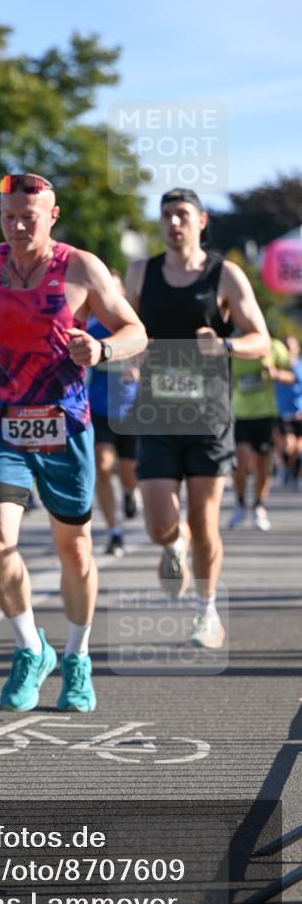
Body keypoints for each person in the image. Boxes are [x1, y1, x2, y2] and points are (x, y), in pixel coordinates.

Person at [0, 172, 147, 713]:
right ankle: (31, 648)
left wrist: (100, 352)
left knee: (73, 550)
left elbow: (134, 330)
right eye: (8, 216)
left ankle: (77, 656)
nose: (16, 226)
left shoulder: (80, 267)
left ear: (52, 216)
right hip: (0, 421)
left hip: (65, 424)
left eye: (27, 217)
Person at [125, 188, 270, 650]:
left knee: (205, 521)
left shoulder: (223, 274)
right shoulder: (140, 273)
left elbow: (261, 339)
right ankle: (172, 545)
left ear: (201, 221)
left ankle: (206, 612)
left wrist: (226, 345)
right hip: (155, 411)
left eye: (182, 215)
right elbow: (120, 325)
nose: (174, 223)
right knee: (157, 521)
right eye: (166, 215)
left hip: (209, 414)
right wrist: (126, 353)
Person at [86, 270, 139, 557]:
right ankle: (113, 531)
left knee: (129, 472)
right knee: (103, 466)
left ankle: (131, 493)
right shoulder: (92, 329)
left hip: (131, 411)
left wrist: (139, 370)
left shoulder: (135, 328)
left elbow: (152, 355)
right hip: (100, 409)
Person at [229, 336, 294, 530]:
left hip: (266, 414)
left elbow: (291, 376)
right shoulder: (232, 346)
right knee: (239, 462)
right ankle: (240, 504)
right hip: (240, 414)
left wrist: (276, 374)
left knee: (261, 464)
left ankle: (258, 505)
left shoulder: (274, 346)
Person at [275, 335, 302, 489]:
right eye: (285, 347)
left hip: (300, 412)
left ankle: (295, 476)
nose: (288, 350)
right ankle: (285, 468)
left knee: (299, 449)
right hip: (283, 412)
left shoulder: (300, 366)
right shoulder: (276, 366)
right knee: (288, 445)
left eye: (291, 347)